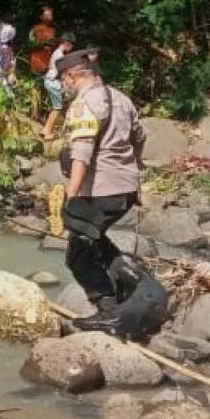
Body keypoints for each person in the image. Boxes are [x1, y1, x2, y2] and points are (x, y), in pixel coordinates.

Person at [55, 49, 147, 333]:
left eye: (63, 80)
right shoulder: (121, 98)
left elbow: (81, 154)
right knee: (91, 237)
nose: (64, 86)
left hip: (101, 189)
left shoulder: (84, 103)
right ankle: (126, 275)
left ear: (72, 76)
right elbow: (140, 137)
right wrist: (135, 171)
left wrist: (71, 197)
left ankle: (109, 311)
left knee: (78, 253)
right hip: (126, 189)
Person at [41, 32, 75, 139]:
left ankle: (46, 130)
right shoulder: (60, 55)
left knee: (57, 107)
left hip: (50, 81)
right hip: (53, 82)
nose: (72, 47)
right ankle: (46, 131)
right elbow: (62, 73)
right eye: (71, 44)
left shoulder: (57, 52)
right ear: (66, 43)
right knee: (57, 108)